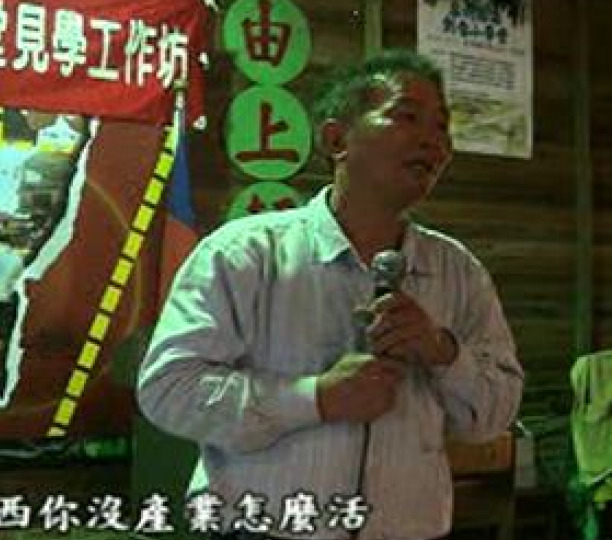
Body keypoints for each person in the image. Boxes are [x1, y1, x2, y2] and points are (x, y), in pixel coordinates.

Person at [136, 49, 524, 540]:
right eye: (407, 116)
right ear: (337, 140)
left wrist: (442, 351)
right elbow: (168, 390)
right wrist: (315, 399)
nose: (433, 140)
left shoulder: (459, 272)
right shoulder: (246, 253)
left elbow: (496, 414)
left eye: (442, 126)